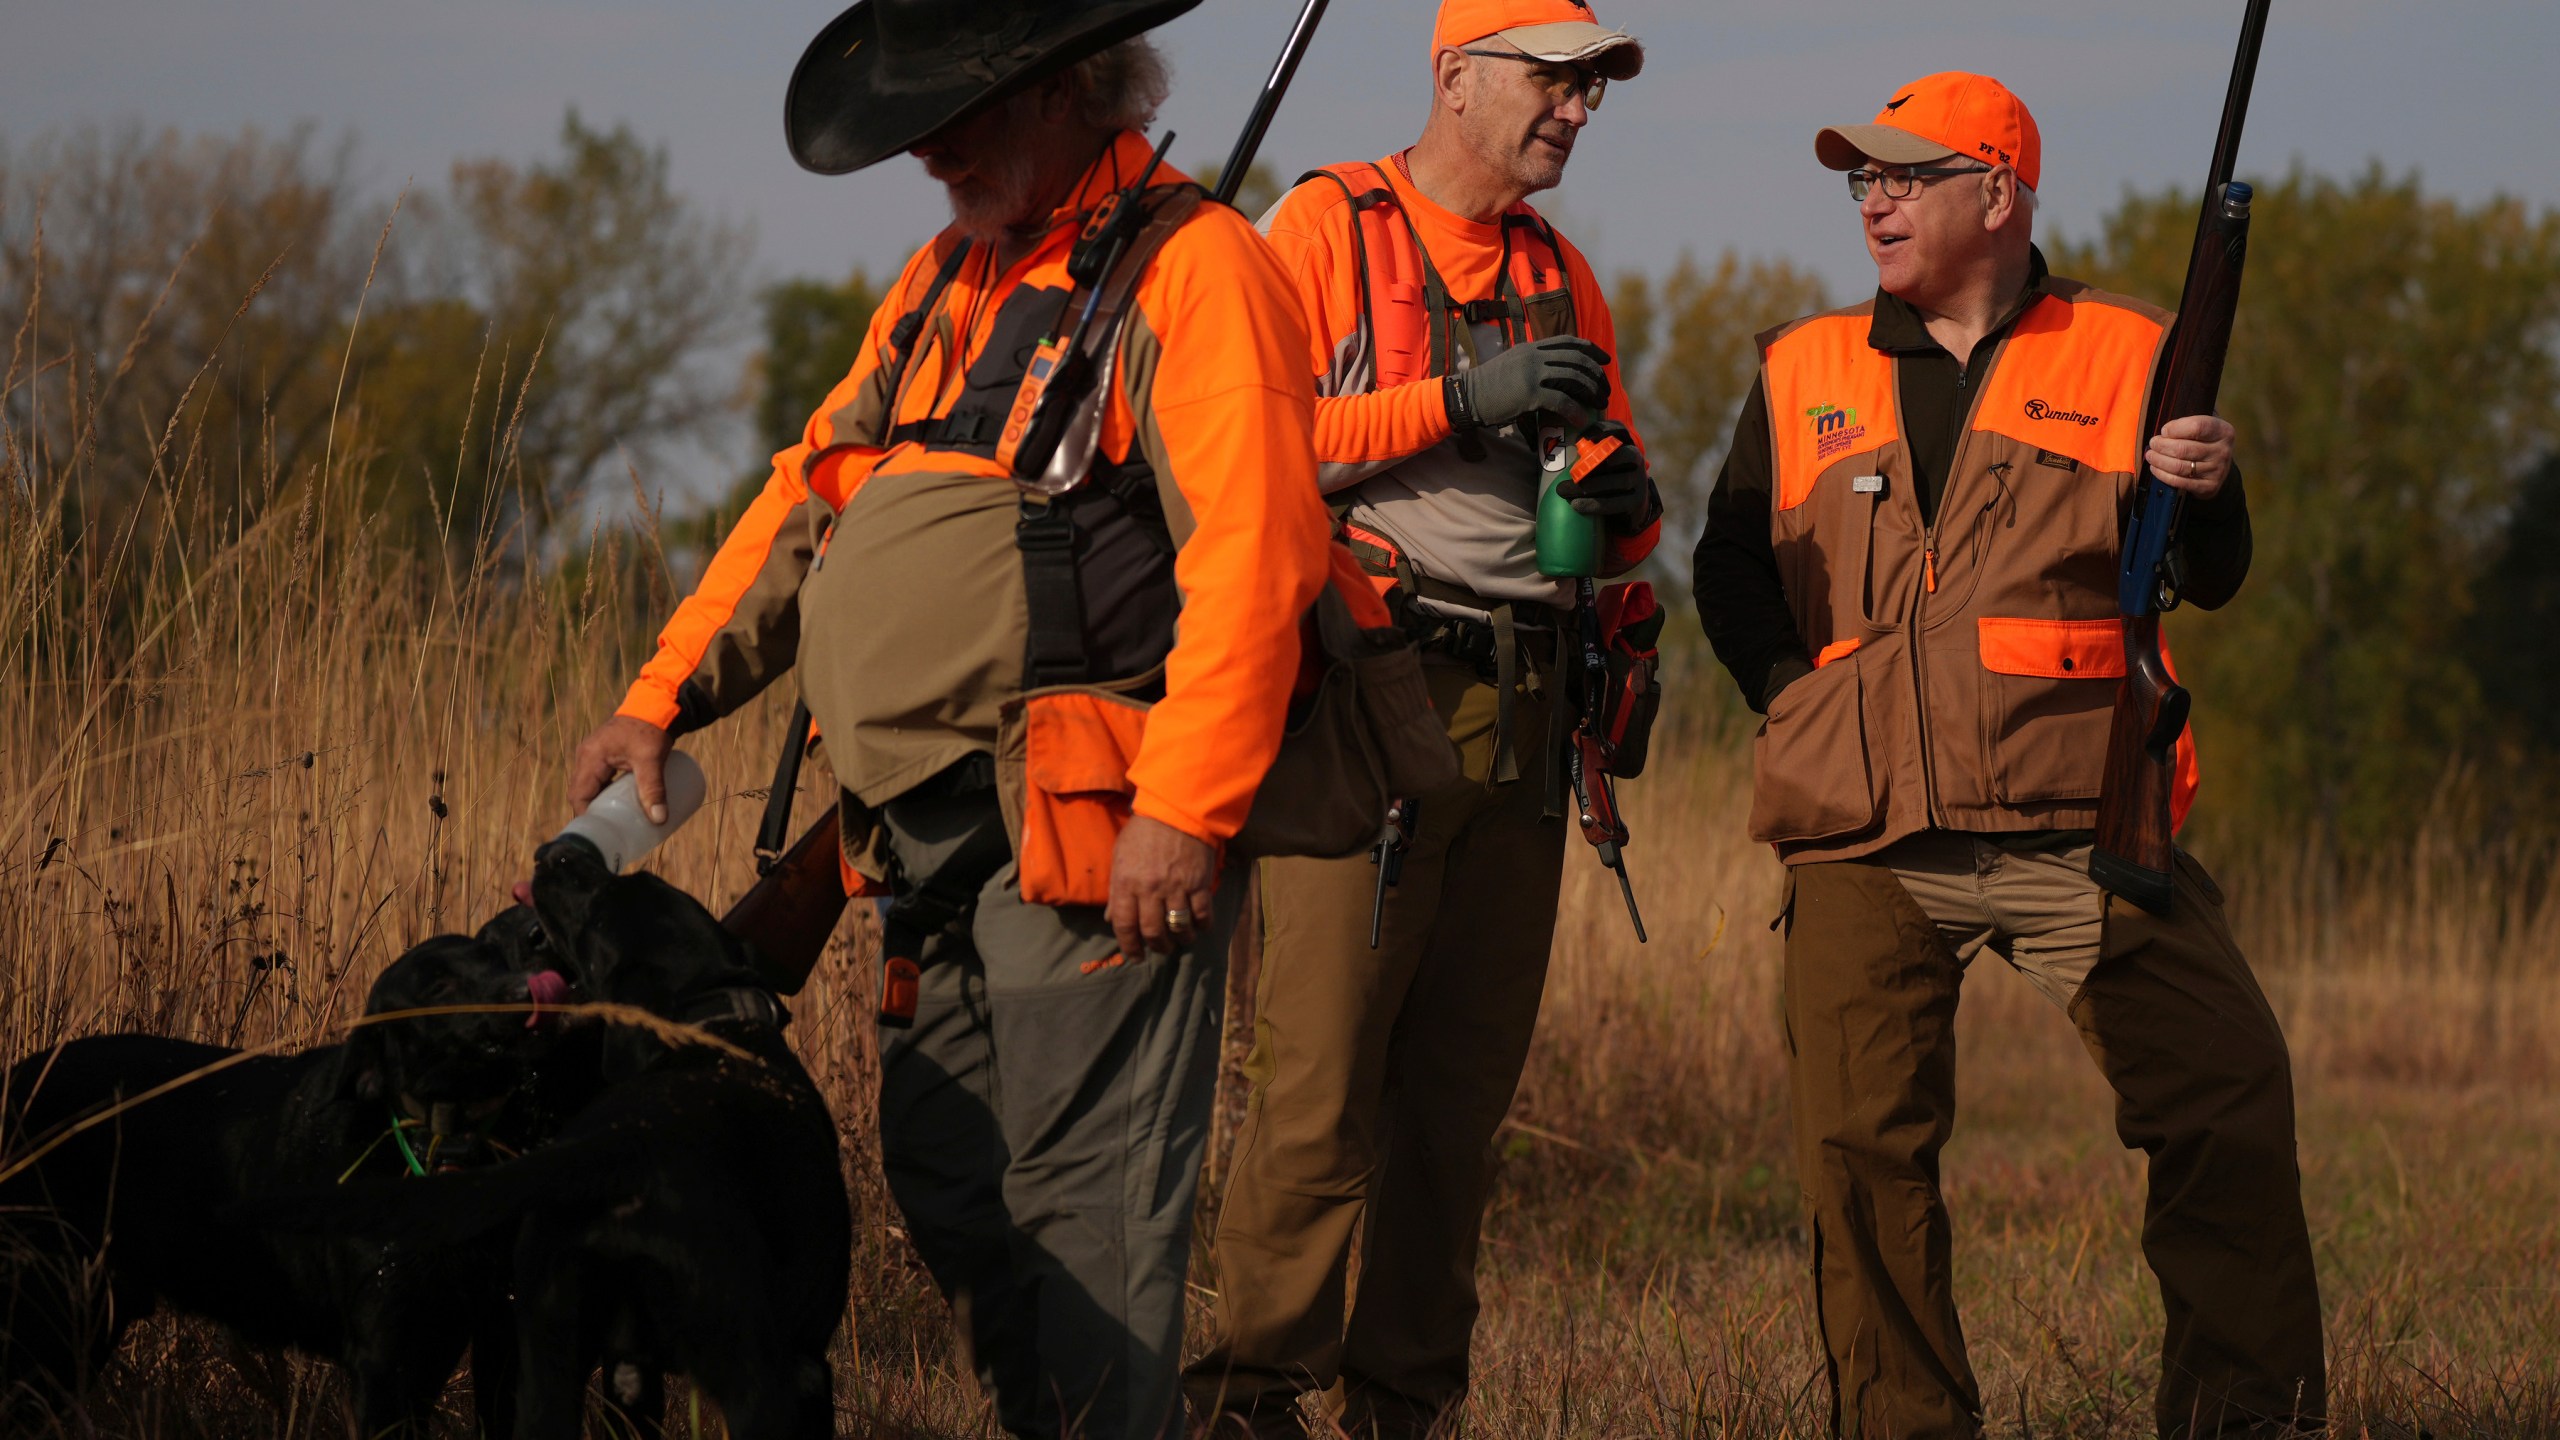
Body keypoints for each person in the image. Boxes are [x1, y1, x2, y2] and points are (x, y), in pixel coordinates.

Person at [561, 2, 1334, 1435]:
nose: (927, 150)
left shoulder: (1199, 265)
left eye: (958, 111)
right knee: (946, 1173)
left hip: (1092, 838)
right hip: (914, 852)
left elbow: (1258, 555)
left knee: (1083, 1204)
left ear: (1071, 88)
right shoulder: (942, 280)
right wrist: (659, 699)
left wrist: (1187, 806)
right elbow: (810, 494)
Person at [1691, 71, 2325, 1440]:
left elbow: (2205, 573)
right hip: (1862, 826)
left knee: (2227, 1094)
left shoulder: (2128, 350)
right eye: (1861, 179)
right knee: (1859, 1154)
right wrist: (1793, 695)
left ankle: (2239, 1416)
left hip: (2074, 818)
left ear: (1998, 192)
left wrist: (2209, 493)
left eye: (1905, 176)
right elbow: (1730, 563)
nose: (1874, 198)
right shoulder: (1801, 367)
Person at [1185, 2, 1658, 1435]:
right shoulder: (1320, 227)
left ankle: (1405, 1401)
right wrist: (1462, 396)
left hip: (1528, 719)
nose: (1577, 112)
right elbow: (1247, 435)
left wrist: (1635, 515)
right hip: (1367, 710)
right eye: (1554, 83)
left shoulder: (1565, 271)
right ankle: (1255, 1395)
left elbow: (1612, 490)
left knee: (1456, 1107)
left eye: (1593, 92)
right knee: (1321, 1092)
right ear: (1456, 77)